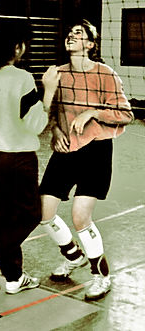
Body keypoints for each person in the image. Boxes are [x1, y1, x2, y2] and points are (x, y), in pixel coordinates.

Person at [39, 19, 134, 300]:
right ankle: (73, 255)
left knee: (81, 217)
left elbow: (126, 114)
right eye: (69, 33)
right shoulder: (57, 73)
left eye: (78, 34)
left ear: (90, 45)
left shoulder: (106, 74)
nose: (71, 36)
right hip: (66, 149)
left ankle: (100, 275)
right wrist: (56, 129)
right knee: (43, 213)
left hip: (96, 151)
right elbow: (54, 109)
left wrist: (92, 112)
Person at [0, 20, 60, 294]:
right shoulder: (20, 78)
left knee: (1, 218)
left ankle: (13, 278)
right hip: (17, 159)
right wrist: (49, 91)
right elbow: (34, 125)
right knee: (30, 214)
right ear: (17, 47)